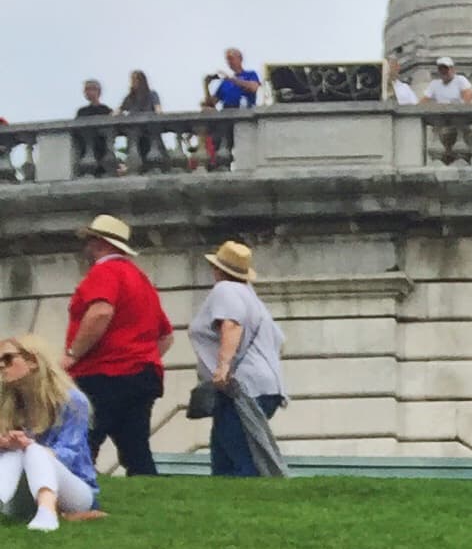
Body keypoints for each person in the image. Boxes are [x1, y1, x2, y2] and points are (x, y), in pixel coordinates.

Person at [64, 213, 172, 476]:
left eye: (89, 241)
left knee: (84, 441)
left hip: (102, 373)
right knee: (136, 448)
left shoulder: (104, 272)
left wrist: (72, 355)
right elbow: (165, 336)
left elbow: (100, 311)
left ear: (100, 243)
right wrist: (138, 357)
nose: (86, 248)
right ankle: (149, 496)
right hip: (142, 375)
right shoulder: (141, 279)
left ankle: (76, 494)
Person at [191, 236, 286, 477]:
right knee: (225, 452)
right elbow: (279, 341)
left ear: (217, 269)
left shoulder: (226, 289)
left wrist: (223, 367)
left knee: (240, 456)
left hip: (241, 387)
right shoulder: (251, 296)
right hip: (262, 386)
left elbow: (232, 324)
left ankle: (251, 502)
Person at [0, 331, 100, 529]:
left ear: (33, 362)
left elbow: (70, 454)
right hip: (22, 497)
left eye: (8, 358)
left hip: (74, 493)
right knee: (14, 452)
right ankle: (43, 512)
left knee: (31, 450)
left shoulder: (71, 401)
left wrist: (28, 446)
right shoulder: (7, 403)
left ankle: (47, 512)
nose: (2, 365)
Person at [118, 70, 163, 167]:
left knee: (153, 159)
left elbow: (158, 109)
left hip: (149, 132)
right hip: (134, 134)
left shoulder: (151, 94)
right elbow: (119, 111)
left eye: (136, 79)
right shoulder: (130, 97)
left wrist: (156, 114)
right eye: (132, 80)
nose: (133, 82)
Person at [71, 79, 115, 178]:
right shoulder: (82, 111)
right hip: (86, 149)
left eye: (90, 89)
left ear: (98, 91)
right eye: (86, 90)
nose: (87, 92)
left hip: (102, 148)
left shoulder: (105, 110)